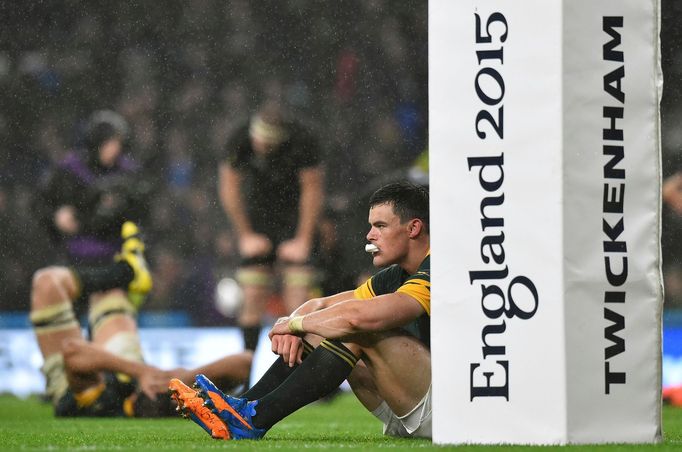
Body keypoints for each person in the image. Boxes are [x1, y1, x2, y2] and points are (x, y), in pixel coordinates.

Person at [170, 181, 431, 440]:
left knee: (356, 327)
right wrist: (292, 321)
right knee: (321, 328)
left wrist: (297, 325)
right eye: (371, 226)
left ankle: (255, 418)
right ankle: (240, 407)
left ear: (414, 228)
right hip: (410, 406)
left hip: (444, 413)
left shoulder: (438, 269)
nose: (370, 235)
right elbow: (322, 304)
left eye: (380, 226)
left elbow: (356, 317)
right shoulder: (396, 275)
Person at [218, 100, 324, 353]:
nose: (259, 144)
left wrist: (303, 239)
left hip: (293, 218)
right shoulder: (240, 136)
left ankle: (301, 372)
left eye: (266, 142)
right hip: (258, 218)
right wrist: (245, 235)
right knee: (253, 293)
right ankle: (245, 371)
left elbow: (312, 190)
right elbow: (230, 187)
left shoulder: (302, 140)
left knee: (298, 298)